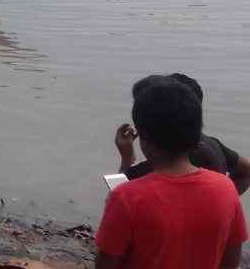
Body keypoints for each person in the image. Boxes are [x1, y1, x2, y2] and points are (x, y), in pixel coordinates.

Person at [96, 76, 246, 269]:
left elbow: (106, 264)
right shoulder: (226, 189)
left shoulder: (127, 197)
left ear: (143, 136)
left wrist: (126, 160)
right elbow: (230, 262)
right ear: (196, 131)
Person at [114, 73, 250, 193]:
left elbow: (117, 195)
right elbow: (246, 170)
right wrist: (226, 198)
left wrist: (127, 156)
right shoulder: (213, 145)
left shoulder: (165, 164)